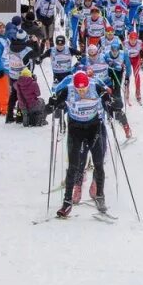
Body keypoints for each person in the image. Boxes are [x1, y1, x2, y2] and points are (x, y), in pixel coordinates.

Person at [47, 71, 115, 217]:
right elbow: (56, 102)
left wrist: (112, 104)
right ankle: (67, 202)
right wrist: (51, 105)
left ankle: (100, 197)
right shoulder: (68, 90)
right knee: (73, 166)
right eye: (79, 89)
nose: (82, 92)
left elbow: (108, 98)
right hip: (75, 129)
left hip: (94, 128)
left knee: (98, 164)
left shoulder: (96, 87)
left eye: (84, 89)